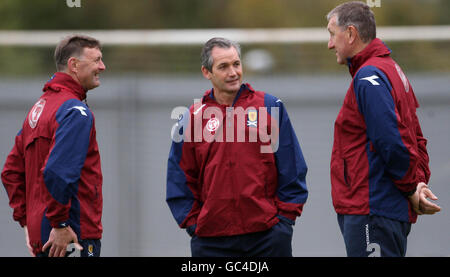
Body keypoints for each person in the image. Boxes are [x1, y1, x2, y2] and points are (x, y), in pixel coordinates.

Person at [166, 37, 308, 257]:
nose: (233, 72)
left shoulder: (269, 107)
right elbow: (180, 177)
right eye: (223, 66)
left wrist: (283, 223)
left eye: (236, 64)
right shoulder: (191, 119)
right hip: (211, 243)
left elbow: (292, 167)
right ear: (207, 72)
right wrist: (194, 224)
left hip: (267, 238)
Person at [326, 1, 441, 257]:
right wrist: (418, 182)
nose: (330, 44)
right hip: (381, 210)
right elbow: (416, 136)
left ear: (351, 34)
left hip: (372, 209)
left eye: (332, 34)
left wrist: (413, 187)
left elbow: (392, 141)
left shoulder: (369, 77)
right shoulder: (391, 70)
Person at [1, 35, 106, 257]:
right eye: (96, 60)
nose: (102, 67)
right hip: (71, 236)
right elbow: (57, 171)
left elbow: (10, 172)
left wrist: (29, 223)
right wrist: (59, 224)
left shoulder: (39, 109)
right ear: (74, 65)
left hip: (45, 236)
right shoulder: (75, 111)